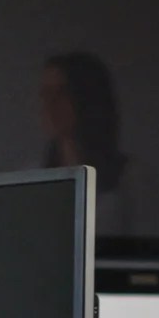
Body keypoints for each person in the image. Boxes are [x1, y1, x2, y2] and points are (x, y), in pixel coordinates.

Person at [39, 51, 136, 236]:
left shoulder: (132, 178)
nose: (50, 104)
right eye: (45, 94)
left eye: (62, 93)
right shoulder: (34, 174)